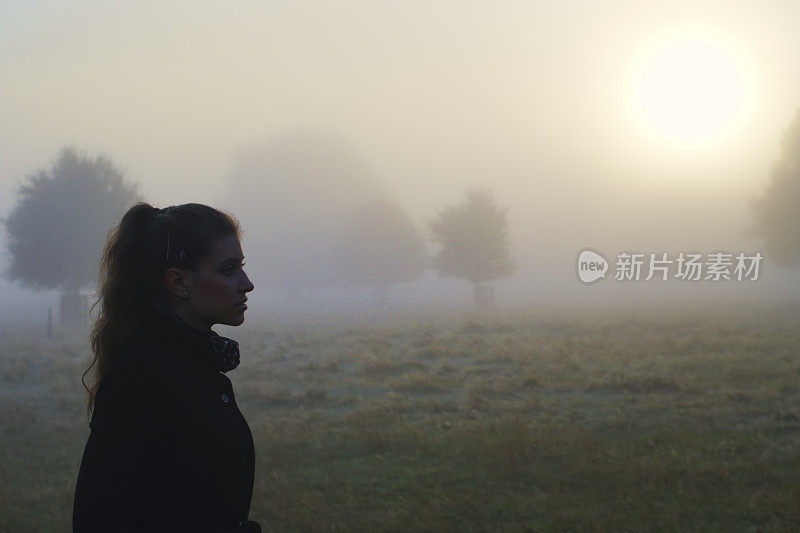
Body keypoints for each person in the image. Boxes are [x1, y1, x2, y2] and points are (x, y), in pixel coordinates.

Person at [72, 202, 259, 532]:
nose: (246, 284)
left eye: (240, 267)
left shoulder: (195, 363)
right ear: (178, 283)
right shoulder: (141, 377)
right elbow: (99, 517)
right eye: (228, 269)